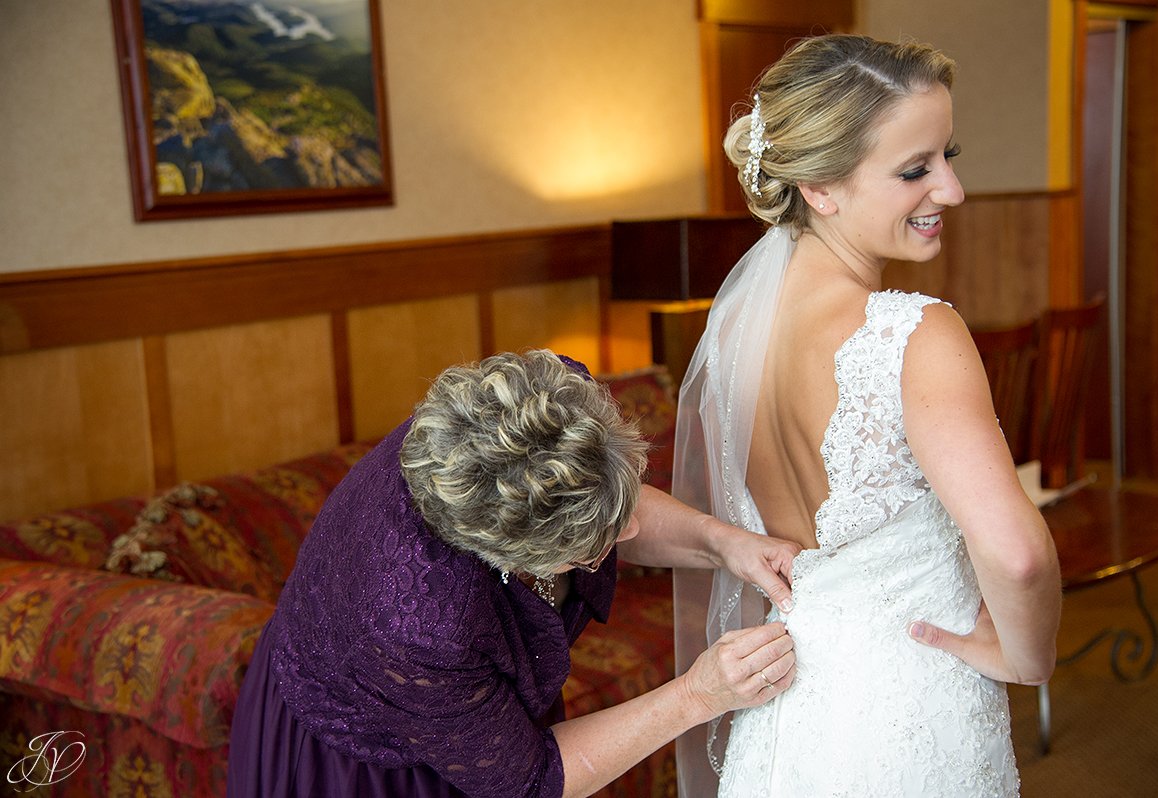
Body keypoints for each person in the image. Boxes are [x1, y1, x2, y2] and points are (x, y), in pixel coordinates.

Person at [671, 34, 1062, 797]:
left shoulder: (733, 340)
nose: (950, 191)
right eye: (916, 169)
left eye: (950, 155)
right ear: (821, 187)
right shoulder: (914, 334)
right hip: (910, 716)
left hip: (786, 718)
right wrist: (1028, 658)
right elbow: (1018, 556)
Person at [227, 349, 800, 798]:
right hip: (365, 758)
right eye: (595, 544)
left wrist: (723, 543)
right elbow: (532, 781)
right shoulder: (421, 625)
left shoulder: (535, 409)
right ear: (508, 557)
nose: (628, 535)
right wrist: (699, 695)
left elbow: (588, 489)